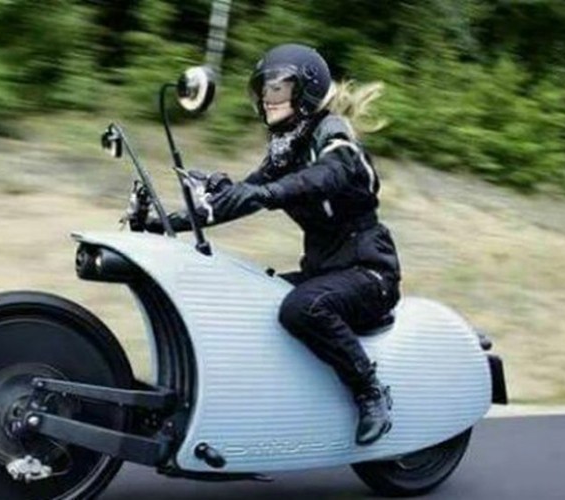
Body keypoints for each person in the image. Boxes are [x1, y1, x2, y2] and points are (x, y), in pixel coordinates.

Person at [145, 43, 401, 446]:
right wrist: (161, 222)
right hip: (324, 271)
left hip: (368, 272)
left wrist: (267, 194)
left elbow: (328, 175)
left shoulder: (332, 133)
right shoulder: (285, 150)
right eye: (264, 89)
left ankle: (370, 394)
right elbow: (239, 198)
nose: (268, 97)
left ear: (306, 91)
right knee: (251, 300)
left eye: (278, 88)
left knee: (303, 307)